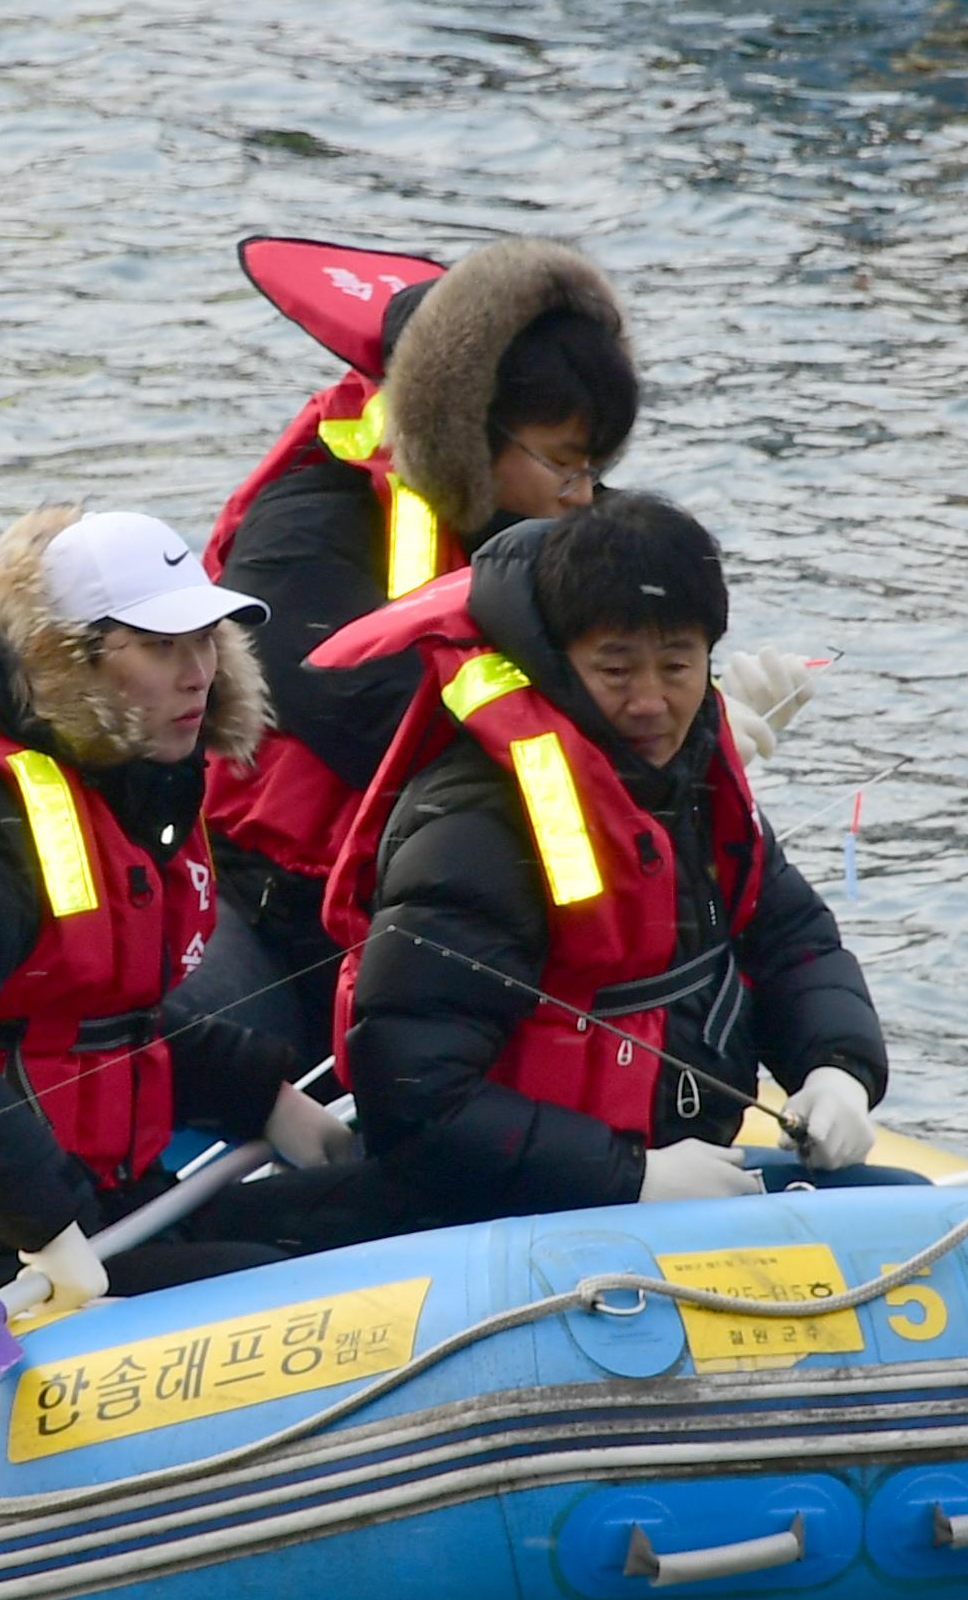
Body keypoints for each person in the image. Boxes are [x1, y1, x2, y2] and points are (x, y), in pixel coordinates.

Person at [0, 505, 372, 1337]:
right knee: (277, 1301)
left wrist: (261, 1098)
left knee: (364, 1221)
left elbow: (89, 1022)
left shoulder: (124, 787)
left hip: (96, 1206)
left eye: (206, 642)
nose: (198, 673)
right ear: (73, 662)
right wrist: (43, 1223)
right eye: (161, 648)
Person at [314, 491, 906, 1228]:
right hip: (501, 1210)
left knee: (904, 1196)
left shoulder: (695, 777)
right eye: (616, 671)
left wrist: (837, 1069)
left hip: (681, 1174)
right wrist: (630, 1177)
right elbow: (412, 1089)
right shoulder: (476, 824)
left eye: (676, 666)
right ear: (559, 664)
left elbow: (792, 941)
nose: (651, 702)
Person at [179, 235, 647, 1060]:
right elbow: (373, 715)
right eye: (564, 466)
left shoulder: (545, 521)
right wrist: (615, 733)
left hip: (448, 916)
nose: (582, 497)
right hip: (276, 917)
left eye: (594, 469)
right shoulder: (307, 524)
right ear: (471, 430)